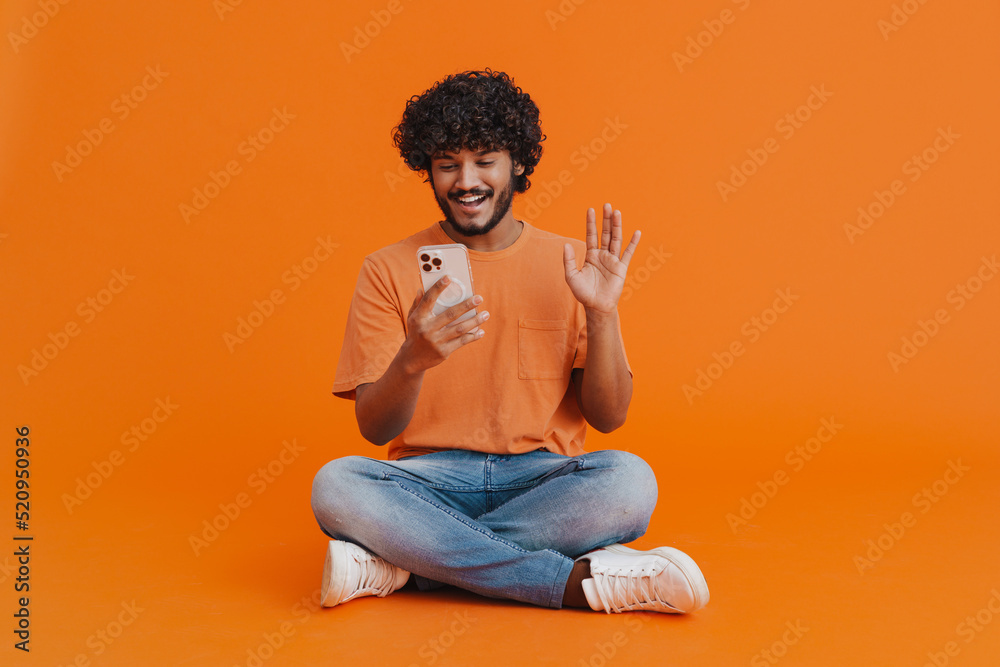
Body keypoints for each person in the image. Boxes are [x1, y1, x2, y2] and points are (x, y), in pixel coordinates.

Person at [310, 68, 709, 614]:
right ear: (428, 170)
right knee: (336, 485)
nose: (465, 181)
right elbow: (375, 427)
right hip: (427, 481)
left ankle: (407, 563)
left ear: (518, 165)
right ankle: (574, 586)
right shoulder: (387, 269)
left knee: (629, 481)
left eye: (484, 160)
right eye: (447, 165)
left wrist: (602, 313)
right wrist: (413, 361)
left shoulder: (572, 265)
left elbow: (609, 416)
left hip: (542, 478)